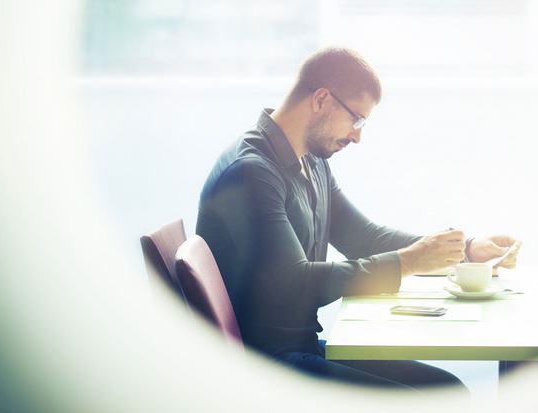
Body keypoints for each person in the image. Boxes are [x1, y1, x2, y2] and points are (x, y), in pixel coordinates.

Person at [196, 47, 521, 391]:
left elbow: (363, 237)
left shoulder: (311, 161)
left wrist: (467, 253)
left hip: (300, 350)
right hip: (269, 364)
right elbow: (295, 285)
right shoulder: (252, 173)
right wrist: (407, 262)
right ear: (321, 99)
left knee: (446, 390)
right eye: (357, 119)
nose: (357, 136)